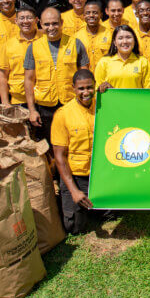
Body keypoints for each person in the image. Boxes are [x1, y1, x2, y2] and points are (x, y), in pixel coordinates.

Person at [24, 7, 90, 140]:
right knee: (49, 144)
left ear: (61, 23)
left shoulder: (75, 44)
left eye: (54, 23)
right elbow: (29, 80)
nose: (51, 27)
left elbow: (85, 76)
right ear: (40, 24)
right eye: (47, 24)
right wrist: (32, 110)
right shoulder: (34, 47)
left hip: (71, 103)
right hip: (45, 106)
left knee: (74, 141)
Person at [51, 69, 101, 234]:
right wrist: (74, 191)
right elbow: (59, 157)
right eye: (81, 89)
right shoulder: (63, 114)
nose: (86, 92)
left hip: (99, 174)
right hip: (76, 175)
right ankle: (68, 198)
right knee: (75, 227)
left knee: (112, 215)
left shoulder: (103, 106)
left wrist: (111, 90)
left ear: (95, 86)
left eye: (89, 87)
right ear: (73, 88)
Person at [0, 5, 41, 105]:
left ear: (36, 20)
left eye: (29, 18)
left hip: (44, 99)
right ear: (16, 21)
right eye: (22, 18)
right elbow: (2, 76)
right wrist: (5, 102)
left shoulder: (46, 40)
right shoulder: (8, 45)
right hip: (19, 100)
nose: (25, 21)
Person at [94, 24, 149, 91]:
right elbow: (97, 90)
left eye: (128, 37)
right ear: (114, 42)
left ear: (134, 41)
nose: (125, 41)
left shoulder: (143, 62)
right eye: (120, 38)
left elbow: (149, 90)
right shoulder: (104, 62)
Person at [75, 1, 111, 71]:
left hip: (105, 78)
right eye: (88, 13)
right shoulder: (77, 37)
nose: (91, 15)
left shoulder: (109, 34)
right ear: (83, 16)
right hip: (85, 78)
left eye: (95, 12)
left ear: (101, 15)